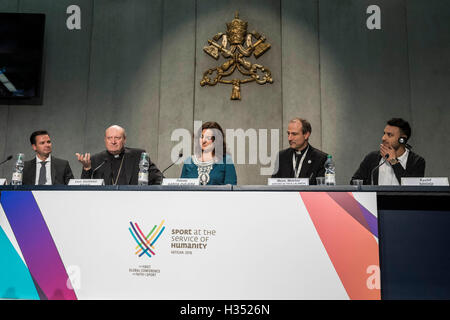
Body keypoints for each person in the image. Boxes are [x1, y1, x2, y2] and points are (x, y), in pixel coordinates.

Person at [76, 125, 163, 185]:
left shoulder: (138, 156)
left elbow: (159, 179)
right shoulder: (96, 160)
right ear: (105, 140)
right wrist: (87, 168)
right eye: (109, 138)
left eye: (117, 138)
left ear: (124, 140)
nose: (113, 142)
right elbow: (84, 187)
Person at [351, 118, 425, 185]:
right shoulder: (371, 158)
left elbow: (412, 188)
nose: (383, 138)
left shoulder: (417, 161)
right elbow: (354, 182)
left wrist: (393, 161)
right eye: (384, 134)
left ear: (402, 139)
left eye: (389, 135)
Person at [272, 118, 328, 184]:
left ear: (306, 135)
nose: (289, 138)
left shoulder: (321, 159)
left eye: (294, 134)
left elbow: (322, 189)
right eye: (288, 133)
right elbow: (273, 185)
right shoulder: (281, 156)